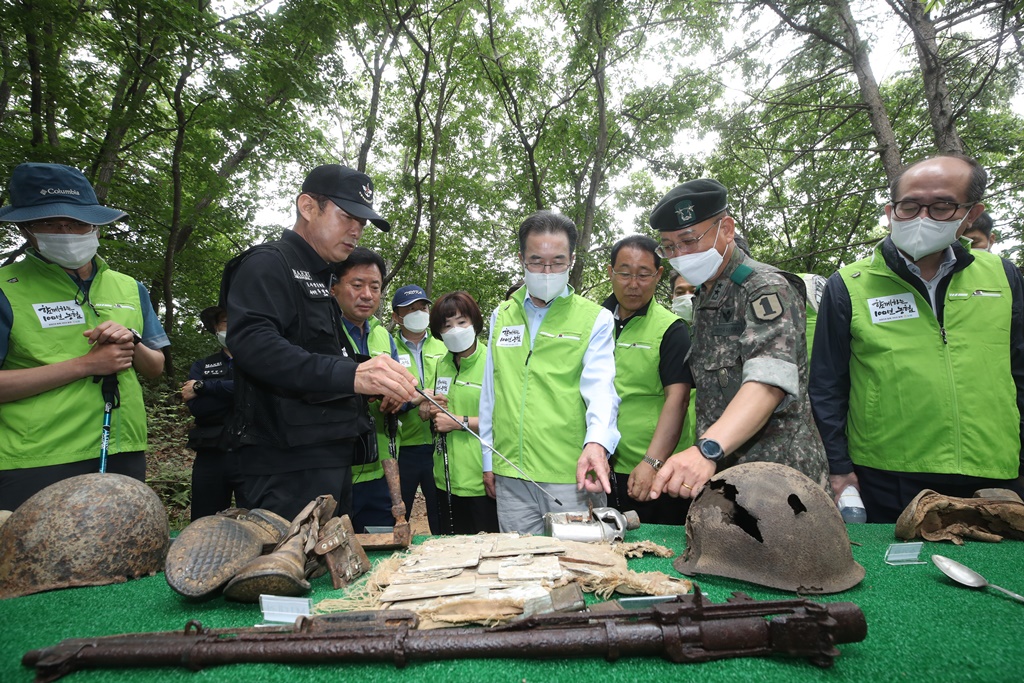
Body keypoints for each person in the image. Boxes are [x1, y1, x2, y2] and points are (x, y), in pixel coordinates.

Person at [809, 154, 1024, 523]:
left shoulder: (1002, 276)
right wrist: (839, 468)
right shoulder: (849, 284)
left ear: (970, 214)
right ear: (890, 212)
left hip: (994, 471)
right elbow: (827, 385)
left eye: (941, 206)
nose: (922, 218)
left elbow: (1020, 368)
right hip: (888, 473)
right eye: (909, 206)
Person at [220, 164, 417, 521]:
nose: (356, 230)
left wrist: (372, 376)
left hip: (329, 455)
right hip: (285, 463)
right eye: (347, 217)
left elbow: (317, 356)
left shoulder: (320, 277)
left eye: (362, 222)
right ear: (308, 207)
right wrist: (352, 375)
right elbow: (254, 345)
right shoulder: (268, 264)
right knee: (288, 556)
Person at [646, 178, 828, 502]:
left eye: (689, 240)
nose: (680, 255)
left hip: (781, 482)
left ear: (726, 229)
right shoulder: (707, 295)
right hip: (728, 478)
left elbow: (768, 382)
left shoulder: (764, 288)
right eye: (669, 247)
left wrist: (707, 449)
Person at [0, 162, 168, 511]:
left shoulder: (129, 287)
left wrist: (131, 341)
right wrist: (87, 365)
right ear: (26, 228)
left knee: (125, 545)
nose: (65, 232)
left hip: (123, 449)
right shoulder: (6, 288)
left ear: (96, 227)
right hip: (37, 457)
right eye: (49, 223)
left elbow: (155, 368)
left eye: (77, 222)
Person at [479, 210, 620, 534]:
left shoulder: (594, 319)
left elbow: (601, 390)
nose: (547, 271)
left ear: (571, 260)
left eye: (557, 262)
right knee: (519, 560)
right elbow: (490, 394)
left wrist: (597, 444)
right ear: (521, 259)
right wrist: (489, 459)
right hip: (511, 474)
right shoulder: (502, 315)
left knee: (580, 559)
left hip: (571, 475)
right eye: (536, 261)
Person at [603, 235, 693, 525]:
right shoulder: (594, 322)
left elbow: (678, 400)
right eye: (624, 273)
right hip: (601, 467)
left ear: (658, 275)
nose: (633, 284)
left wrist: (652, 462)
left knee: (656, 546)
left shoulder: (671, 329)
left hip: (653, 470)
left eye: (643, 274)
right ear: (611, 272)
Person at [330, 247, 401, 533]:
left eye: (375, 287)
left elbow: (403, 388)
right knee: (333, 549)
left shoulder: (383, 335)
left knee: (381, 542)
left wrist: (398, 397)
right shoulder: (322, 333)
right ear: (333, 287)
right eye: (357, 285)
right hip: (333, 474)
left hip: (379, 471)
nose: (367, 295)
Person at [422, 291, 498, 534]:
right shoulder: (441, 364)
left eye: (461, 322)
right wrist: (430, 409)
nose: (455, 330)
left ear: (474, 322)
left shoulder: (493, 362)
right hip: (445, 478)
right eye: (447, 325)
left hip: (481, 477)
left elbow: (505, 420)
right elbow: (437, 411)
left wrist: (459, 422)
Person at [390, 284, 447, 534]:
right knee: (397, 515)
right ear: (397, 317)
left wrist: (430, 401)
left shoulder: (444, 347)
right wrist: (418, 398)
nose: (419, 313)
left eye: (422, 308)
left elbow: (452, 387)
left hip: (440, 446)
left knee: (441, 517)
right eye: (411, 309)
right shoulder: (389, 349)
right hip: (403, 449)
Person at [182, 305, 243, 520]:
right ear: (216, 327)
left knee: (259, 523)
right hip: (211, 453)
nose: (231, 326)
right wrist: (237, 394)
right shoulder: (203, 366)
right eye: (225, 321)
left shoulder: (258, 362)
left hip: (253, 453)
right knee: (204, 522)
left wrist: (205, 387)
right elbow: (198, 408)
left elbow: (258, 395)